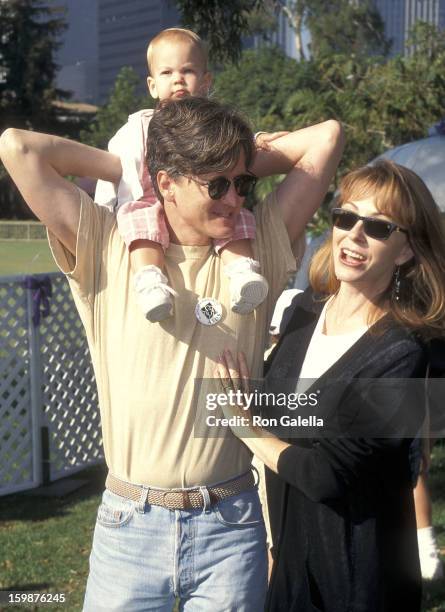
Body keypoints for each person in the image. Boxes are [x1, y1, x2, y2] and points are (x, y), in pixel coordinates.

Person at [0, 97, 343, 610]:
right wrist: (130, 164)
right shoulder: (109, 247)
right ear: (166, 183)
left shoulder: (261, 248)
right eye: (217, 184)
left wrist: (235, 159)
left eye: (242, 182)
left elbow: (327, 136)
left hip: (231, 528)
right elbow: (17, 147)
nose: (235, 199)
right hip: (129, 529)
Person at [216, 160, 445, 612]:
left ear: (404, 251)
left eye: (378, 227)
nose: (355, 236)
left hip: (359, 577)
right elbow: (280, 415)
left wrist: (242, 426)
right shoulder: (302, 313)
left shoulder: (404, 351)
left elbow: (326, 476)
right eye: (346, 217)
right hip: (287, 566)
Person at [96, 27, 273, 322]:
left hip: (207, 199)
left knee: (238, 218)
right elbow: (116, 170)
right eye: (166, 73)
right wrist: (105, 209)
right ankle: (151, 280)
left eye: (187, 70)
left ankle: (242, 272)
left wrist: (260, 140)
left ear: (205, 81)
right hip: (152, 200)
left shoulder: (215, 123)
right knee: (139, 222)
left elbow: (233, 148)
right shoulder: (138, 127)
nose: (177, 78)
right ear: (152, 86)